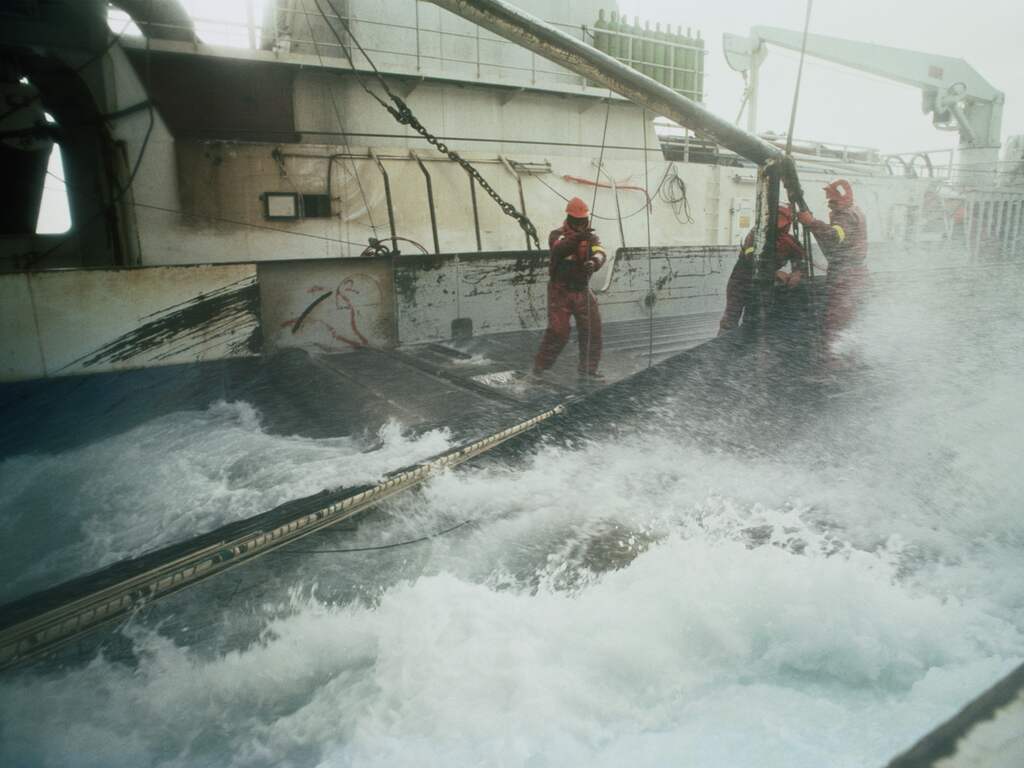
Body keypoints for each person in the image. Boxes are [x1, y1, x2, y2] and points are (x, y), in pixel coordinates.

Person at [532, 197, 607, 380]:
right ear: (570, 219)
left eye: (583, 220)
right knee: (558, 332)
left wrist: (594, 262)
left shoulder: (592, 238)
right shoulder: (556, 235)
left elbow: (600, 252)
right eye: (578, 220)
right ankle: (539, 369)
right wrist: (579, 237)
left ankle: (588, 370)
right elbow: (559, 250)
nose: (581, 223)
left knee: (592, 330)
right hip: (560, 292)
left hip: (582, 290)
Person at [796, 179, 868, 345]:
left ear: (841, 197)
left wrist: (811, 223)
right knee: (849, 321)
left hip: (846, 277)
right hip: (852, 274)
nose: (829, 202)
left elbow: (834, 237)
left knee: (836, 323)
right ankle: (848, 358)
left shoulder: (845, 215)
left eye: (832, 198)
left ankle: (833, 364)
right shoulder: (853, 211)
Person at [718, 205, 806, 334]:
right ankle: (723, 347)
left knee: (752, 319)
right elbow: (752, 259)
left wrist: (797, 273)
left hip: (761, 285)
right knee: (731, 318)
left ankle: (745, 346)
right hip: (741, 281)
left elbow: (799, 258)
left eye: (783, 226)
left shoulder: (788, 241)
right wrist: (775, 273)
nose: (780, 229)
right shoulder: (755, 235)